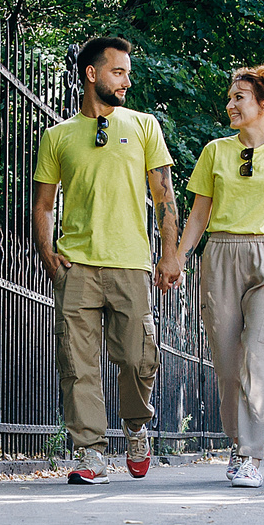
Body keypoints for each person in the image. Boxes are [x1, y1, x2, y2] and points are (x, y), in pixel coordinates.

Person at [159, 65, 264, 488]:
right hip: (221, 254)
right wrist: (177, 258)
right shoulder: (215, 151)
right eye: (230, 98)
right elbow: (199, 214)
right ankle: (237, 440)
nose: (230, 104)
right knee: (228, 363)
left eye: (239, 97)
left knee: (257, 358)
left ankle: (251, 455)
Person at [35, 35, 174, 484]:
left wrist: (169, 253)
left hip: (131, 263)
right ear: (92, 74)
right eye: (118, 72)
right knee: (78, 364)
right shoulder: (57, 136)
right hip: (76, 265)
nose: (126, 81)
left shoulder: (144, 126)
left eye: (128, 73)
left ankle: (136, 427)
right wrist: (47, 251)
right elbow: (43, 204)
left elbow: (164, 195)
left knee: (136, 358)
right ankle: (90, 451)